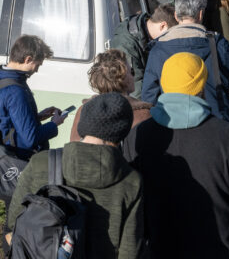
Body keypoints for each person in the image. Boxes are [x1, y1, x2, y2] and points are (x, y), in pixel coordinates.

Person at [125, 52, 229, 258]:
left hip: (162, 248)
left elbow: (132, 199)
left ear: (164, 83)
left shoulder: (138, 136)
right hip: (223, 249)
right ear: (201, 84)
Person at [7, 93, 144, 259]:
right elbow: (130, 250)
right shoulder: (131, 182)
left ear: (82, 125)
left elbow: (15, 220)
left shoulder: (41, 162)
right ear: (123, 131)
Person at [142, 0, 229, 125]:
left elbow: (148, 99)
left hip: (174, 125)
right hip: (217, 123)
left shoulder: (157, 50)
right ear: (200, 14)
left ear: (176, 16)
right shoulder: (216, 42)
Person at [0, 35, 67, 160]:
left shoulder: (3, 78)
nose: (37, 70)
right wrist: (54, 124)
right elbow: (30, 139)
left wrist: (37, 116)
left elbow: (12, 119)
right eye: (38, 65)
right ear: (28, 59)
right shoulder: (15, 91)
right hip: (20, 158)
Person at [70, 49, 153, 142]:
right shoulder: (143, 114)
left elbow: (75, 145)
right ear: (122, 78)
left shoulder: (83, 111)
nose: (134, 76)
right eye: (132, 71)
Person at [110, 4, 177, 98]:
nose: (172, 39)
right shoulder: (127, 45)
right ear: (163, 26)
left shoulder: (146, 29)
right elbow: (135, 90)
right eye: (172, 35)